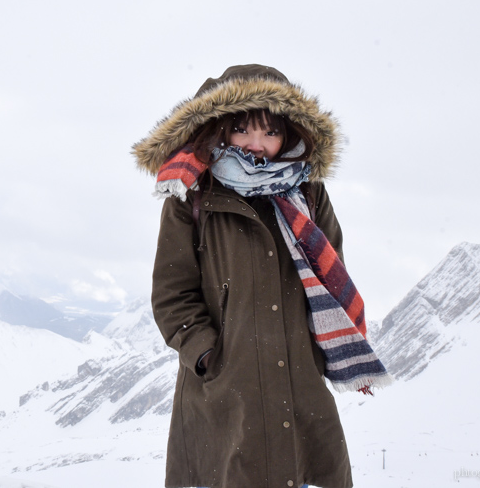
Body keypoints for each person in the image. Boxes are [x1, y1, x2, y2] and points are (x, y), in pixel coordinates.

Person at [132, 64, 391, 488]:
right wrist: (208, 356)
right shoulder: (192, 195)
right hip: (223, 397)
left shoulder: (307, 191)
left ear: (288, 135)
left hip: (301, 390)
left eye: (270, 133)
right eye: (243, 130)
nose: (257, 145)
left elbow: (331, 276)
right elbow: (172, 294)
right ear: (219, 130)